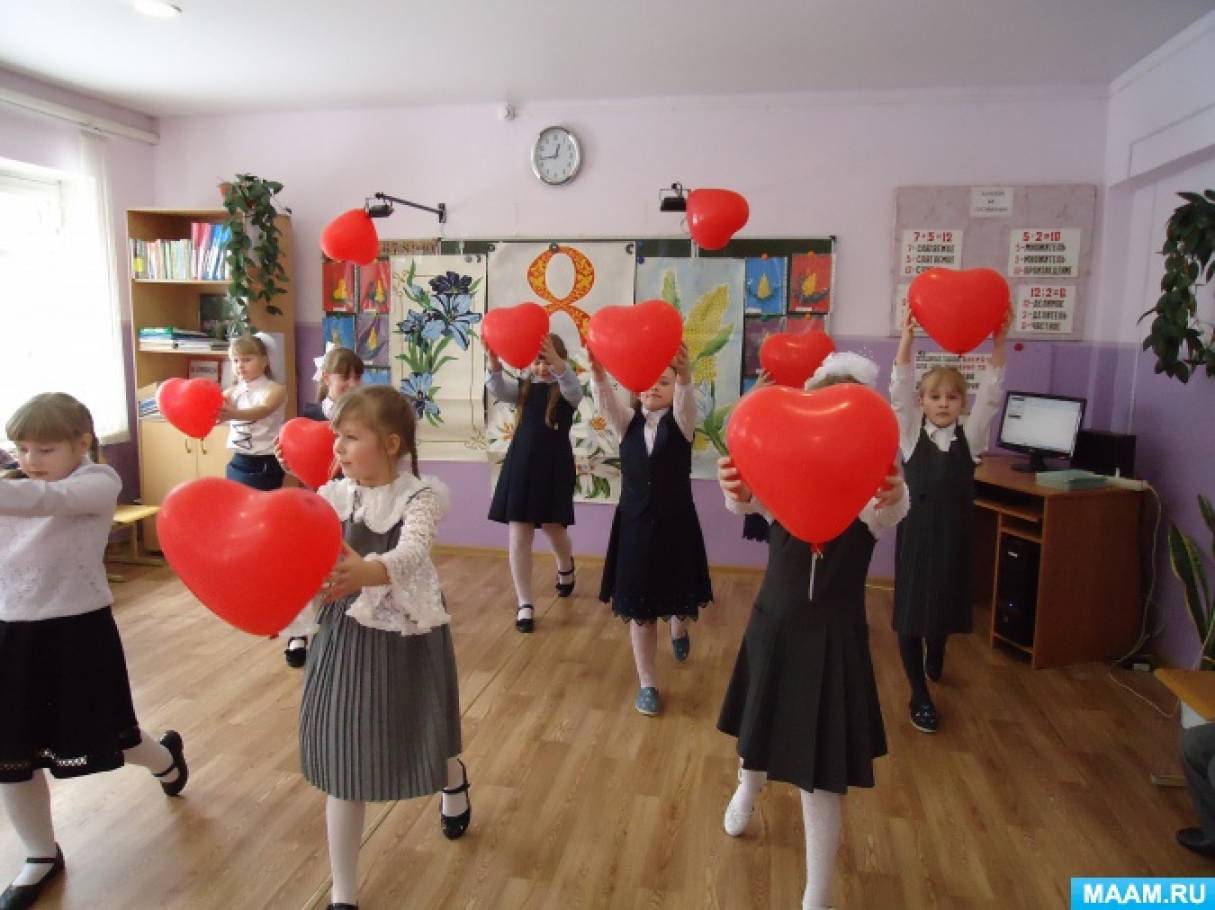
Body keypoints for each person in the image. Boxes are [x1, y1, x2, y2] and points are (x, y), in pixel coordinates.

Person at [716, 352, 908, 910]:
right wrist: (736, 487)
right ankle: (747, 788)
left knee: (821, 773)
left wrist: (894, 493)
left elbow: (893, 509)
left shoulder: (869, 499)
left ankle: (817, 892)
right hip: (774, 626)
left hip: (834, 638)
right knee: (758, 723)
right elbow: (747, 501)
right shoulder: (786, 485)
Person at [0, 393, 187, 909]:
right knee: (12, 755)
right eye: (21, 449)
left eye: (45, 449)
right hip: (11, 634)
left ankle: (165, 759)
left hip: (76, 633)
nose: (30, 460)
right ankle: (40, 854)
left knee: (111, 736)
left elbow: (47, 502)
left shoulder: (98, 482)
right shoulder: (13, 485)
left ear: (82, 443)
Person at [290, 386, 470, 910]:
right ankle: (344, 892)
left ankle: (453, 778)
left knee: (419, 736)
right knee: (344, 758)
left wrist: (369, 572)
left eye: (350, 437)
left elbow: (412, 552)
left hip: (405, 633)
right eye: (336, 437)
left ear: (390, 444)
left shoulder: (421, 497)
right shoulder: (333, 495)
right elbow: (303, 546)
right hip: (344, 634)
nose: (338, 448)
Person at [890, 310, 1009, 732]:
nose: (943, 403)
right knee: (911, 615)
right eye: (935, 397)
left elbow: (991, 394)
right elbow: (898, 390)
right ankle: (919, 695)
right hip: (917, 535)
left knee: (940, 606)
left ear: (962, 404)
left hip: (954, 537)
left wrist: (999, 344)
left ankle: (936, 647)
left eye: (952, 398)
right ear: (922, 402)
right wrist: (906, 341)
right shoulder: (909, 435)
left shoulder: (971, 438)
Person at [590, 343, 713, 716]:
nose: (653, 388)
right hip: (635, 526)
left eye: (664, 382)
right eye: (647, 382)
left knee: (678, 594)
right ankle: (647, 682)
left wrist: (686, 375)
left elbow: (686, 404)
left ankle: (679, 627)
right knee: (640, 608)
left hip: (676, 524)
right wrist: (597, 373)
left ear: (675, 387)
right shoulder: (626, 422)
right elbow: (606, 403)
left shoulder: (682, 424)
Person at [486, 335, 580, 633]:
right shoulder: (524, 388)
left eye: (547, 361)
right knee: (518, 534)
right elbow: (498, 388)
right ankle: (525, 602)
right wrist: (494, 364)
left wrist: (557, 361)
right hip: (521, 466)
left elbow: (571, 384)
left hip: (553, 467)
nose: (542, 368)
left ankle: (565, 565)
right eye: (537, 361)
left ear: (559, 360)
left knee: (554, 528)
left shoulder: (567, 391)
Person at [282, 346, 364, 668]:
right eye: (346, 376)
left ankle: (346, 626)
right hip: (316, 506)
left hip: (353, 504)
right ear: (327, 378)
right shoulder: (308, 417)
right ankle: (298, 634)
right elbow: (301, 465)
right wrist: (286, 461)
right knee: (305, 567)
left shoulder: (365, 417)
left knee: (345, 566)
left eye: (358, 377)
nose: (353, 383)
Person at [220, 333, 287, 491]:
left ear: (264, 361)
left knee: (260, 503)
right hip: (238, 460)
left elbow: (263, 410)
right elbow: (214, 411)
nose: (240, 365)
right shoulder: (232, 392)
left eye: (247, 359)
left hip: (265, 460)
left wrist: (233, 414)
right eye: (235, 360)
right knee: (237, 502)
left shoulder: (276, 389)